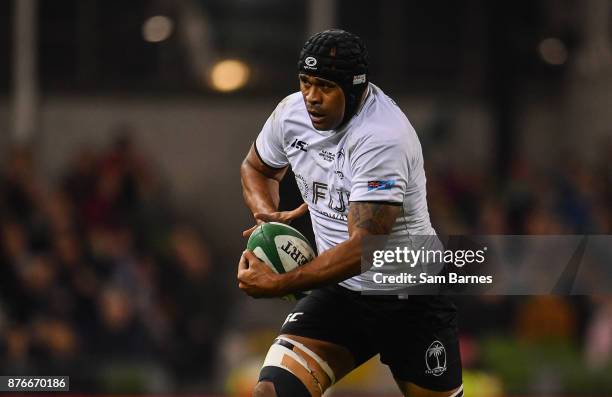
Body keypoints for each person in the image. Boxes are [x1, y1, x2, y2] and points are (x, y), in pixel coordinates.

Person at [238, 29, 463, 397]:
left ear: (355, 89)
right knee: (271, 392)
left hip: (410, 299)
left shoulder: (381, 138)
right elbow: (256, 168)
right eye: (306, 82)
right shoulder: (290, 113)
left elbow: (365, 250)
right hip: (341, 295)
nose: (311, 97)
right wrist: (267, 216)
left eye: (325, 86)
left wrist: (279, 284)